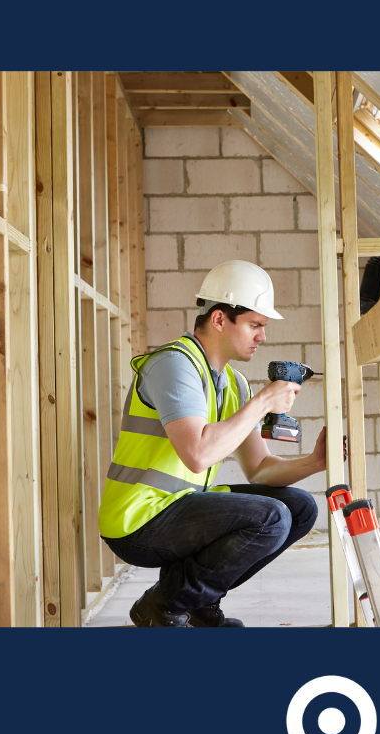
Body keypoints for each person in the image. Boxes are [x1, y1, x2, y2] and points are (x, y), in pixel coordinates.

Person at [99, 259, 328, 627]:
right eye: (255, 325)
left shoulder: (234, 383)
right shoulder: (174, 365)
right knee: (270, 517)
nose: (262, 336)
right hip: (138, 520)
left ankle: (201, 606)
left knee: (299, 507)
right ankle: (165, 606)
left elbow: (259, 468)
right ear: (220, 319)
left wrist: (314, 462)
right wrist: (264, 403)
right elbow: (197, 454)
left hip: (183, 509)